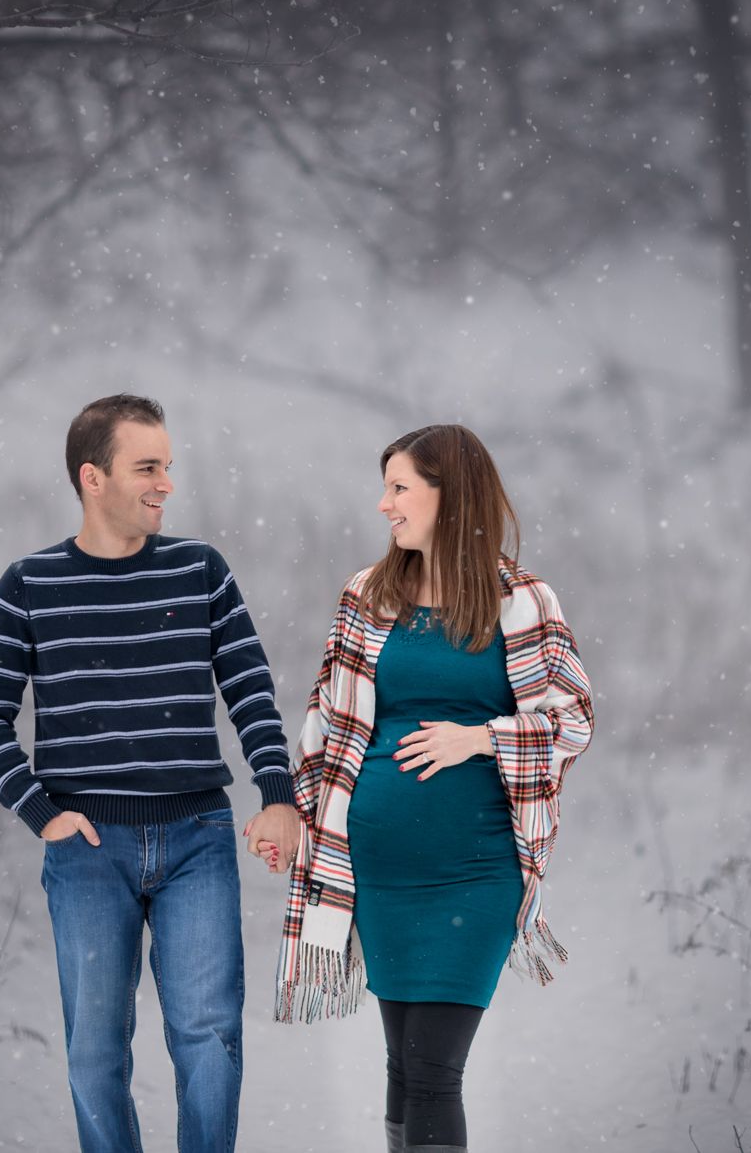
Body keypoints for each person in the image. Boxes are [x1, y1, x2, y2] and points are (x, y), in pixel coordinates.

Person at [0, 394, 303, 1153]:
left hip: (198, 836)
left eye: (168, 466)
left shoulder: (201, 571)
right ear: (93, 476)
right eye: (147, 466)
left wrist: (277, 794)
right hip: (87, 846)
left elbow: (249, 689)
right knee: (94, 1051)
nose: (165, 483)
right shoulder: (29, 584)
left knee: (210, 1036)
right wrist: (41, 812)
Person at [264, 423, 594, 1153]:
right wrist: (286, 806)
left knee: (434, 1068)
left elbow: (574, 717)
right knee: (402, 1064)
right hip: (380, 871)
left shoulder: (522, 601)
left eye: (399, 487)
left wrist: (481, 736)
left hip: (475, 871)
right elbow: (325, 721)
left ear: (451, 494)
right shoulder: (367, 594)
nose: (384, 504)